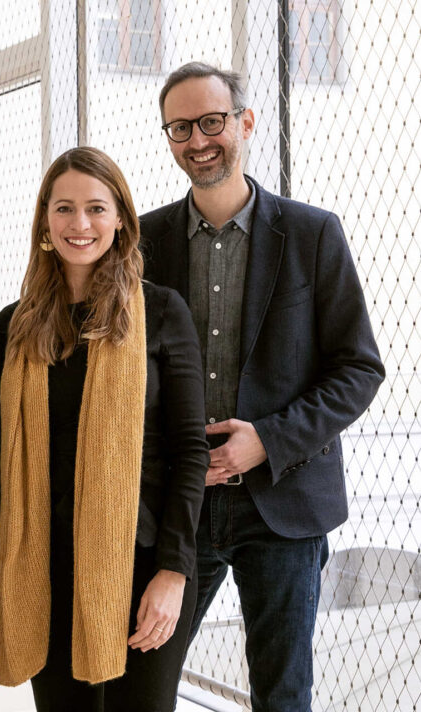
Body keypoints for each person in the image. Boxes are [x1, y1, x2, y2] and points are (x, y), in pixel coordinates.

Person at [139, 62, 385, 711]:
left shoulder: (312, 233)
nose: (198, 140)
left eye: (212, 122)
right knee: (138, 677)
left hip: (283, 504)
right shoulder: (141, 240)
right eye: (181, 127)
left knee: (282, 694)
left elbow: (359, 368)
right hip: (176, 509)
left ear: (245, 123)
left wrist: (266, 442)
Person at [0, 147, 208, 711]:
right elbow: (2, 461)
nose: (79, 225)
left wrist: (173, 573)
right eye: (64, 209)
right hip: (45, 568)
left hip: (141, 561)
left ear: (120, 220)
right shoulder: (15, 324)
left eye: (95, 208)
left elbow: (190, 453)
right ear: (44, 221)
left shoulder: (159, 312)